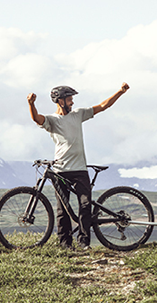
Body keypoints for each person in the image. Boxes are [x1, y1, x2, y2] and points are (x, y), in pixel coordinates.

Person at [27, 83, 130, 249]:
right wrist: (31, 104)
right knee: (63, 211)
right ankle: (65, 244)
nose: (72, 103)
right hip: (61, 170)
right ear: (59, 101)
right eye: (69, 100)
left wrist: (120, 91)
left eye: (72, 100)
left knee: (85, 206)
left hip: (80, 170)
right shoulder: (52, 120)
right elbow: (36, 118)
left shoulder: (78, 114)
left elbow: (103, 106)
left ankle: (83, 243)